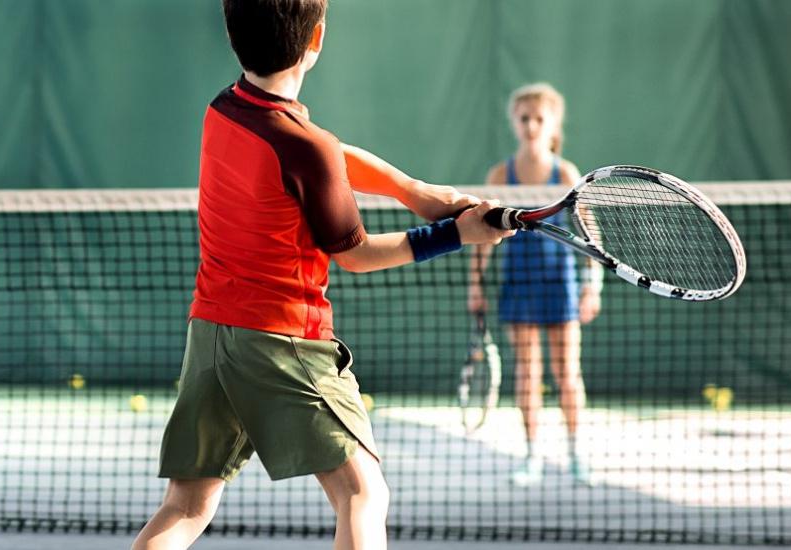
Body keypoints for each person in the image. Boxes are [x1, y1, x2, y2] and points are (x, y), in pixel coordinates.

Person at [130, 2, 514, 549]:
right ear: (317, 38)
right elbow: (354, 254)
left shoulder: (225, 109)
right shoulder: (304, 149)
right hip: (284, 340)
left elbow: (325, 155)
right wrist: (456, 234)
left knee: (186, 505)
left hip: (210, 335)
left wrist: (417, 193)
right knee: (362, 494)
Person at [467, 83, 602, 488]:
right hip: (518, 284)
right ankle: (531, 457)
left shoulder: (565, 173)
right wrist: (474, 285)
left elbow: (589, 231)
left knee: (567, 373)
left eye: (538, 119)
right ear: (515, 122)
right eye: (524, 118)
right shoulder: (499, 175)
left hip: (560, 285)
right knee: (526, 373)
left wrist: (592, 285)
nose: (530, 126)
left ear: (552, 124)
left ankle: (577, 454)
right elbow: (481, 235)